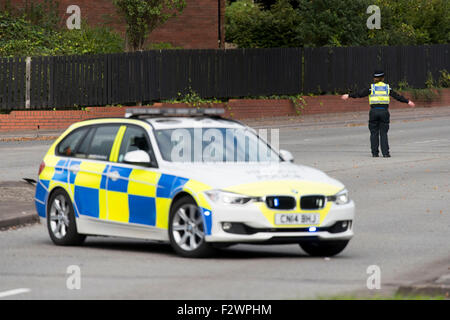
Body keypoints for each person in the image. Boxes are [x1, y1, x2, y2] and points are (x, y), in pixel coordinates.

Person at [341, 71, 415, 158]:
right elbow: (397, 96)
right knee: (383, 133)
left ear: (374, 78)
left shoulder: (371, 88)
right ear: (383, 78)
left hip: (374, 112)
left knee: (373, 133)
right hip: (384, 111)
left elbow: (360, 94)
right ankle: (386, 153)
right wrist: (408, 101)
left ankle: (375, 153)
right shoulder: (387, 88)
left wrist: (349, 95)